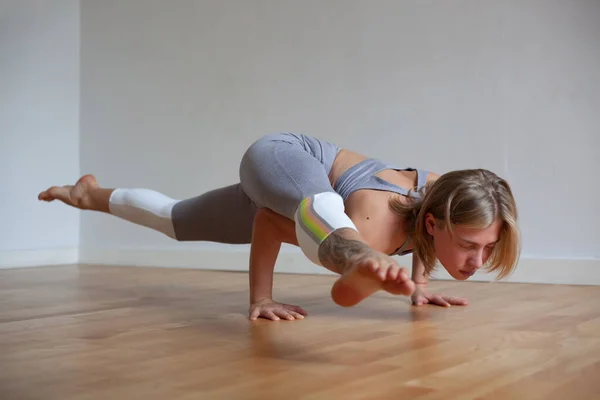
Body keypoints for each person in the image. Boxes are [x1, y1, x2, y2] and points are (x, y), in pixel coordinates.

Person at [38, 133, 521, 321]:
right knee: (328, 214)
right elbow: (269, 222)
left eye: (486, 248)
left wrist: (419, 284)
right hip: (280, 158)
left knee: (175, 220)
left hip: (297, 192)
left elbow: (429, 220)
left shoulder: (443, 191)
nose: (477, 262)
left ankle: (86, 193)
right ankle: (356, 259)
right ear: (435, 224)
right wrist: (260, 299)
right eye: (469, 247)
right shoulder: (375, 218)